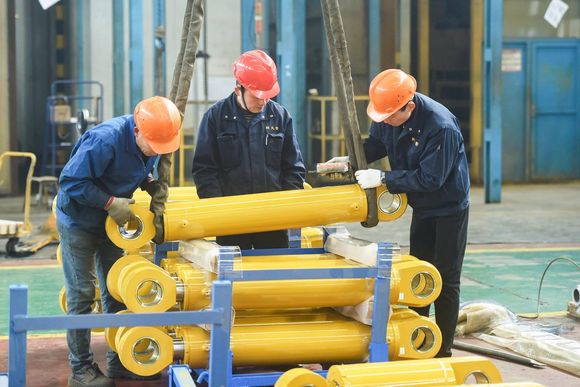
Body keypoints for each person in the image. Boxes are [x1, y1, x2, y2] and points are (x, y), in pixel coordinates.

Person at [329, 69, 470, 357]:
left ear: (410, 107)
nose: (386, 122)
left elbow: (431, 179)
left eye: (391, 116)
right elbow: (376, 144)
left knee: (445, 278)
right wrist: (351, 161)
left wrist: (383, 178)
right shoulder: (388, 113)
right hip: (423, 208)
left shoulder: (440, 127)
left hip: (448, 208)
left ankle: (442, 349)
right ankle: (420, 339)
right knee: (419, 273)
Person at [56, 96, 181, 387]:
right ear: (137, 130)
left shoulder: (153, 137)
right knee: (83, 294)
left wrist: (150, 183)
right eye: (153, 146)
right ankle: (81, 370)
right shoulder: (105, 141)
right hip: (78, 222)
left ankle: (121, 360)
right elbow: (70, 182)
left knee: (116, 290)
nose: (156, 151)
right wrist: (110, 202)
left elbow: (138, 168)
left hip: (111, 226)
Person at [192, 49, 306, 250]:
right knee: (234, 276)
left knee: (274, 274)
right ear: (239, 90)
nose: (262, 102)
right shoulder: (216, 118)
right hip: (231, 222)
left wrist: (287, 208)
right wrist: (220, 211)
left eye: (267, 95)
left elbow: (294, 169)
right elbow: (204, 170)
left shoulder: (280, 117)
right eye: (257, 96)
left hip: (273, 221)